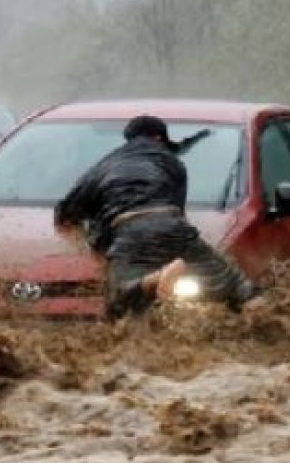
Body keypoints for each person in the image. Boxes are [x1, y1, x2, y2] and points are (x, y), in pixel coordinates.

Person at [54, 115, 259, 320]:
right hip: (173, 225)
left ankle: (153, 281)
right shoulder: (173, 163)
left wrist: (88, 244)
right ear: (160, 139)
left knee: (118, 302)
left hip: (129, 230)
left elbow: (64, 214)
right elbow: (179, 212)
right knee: (236, 284)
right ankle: (264, 318)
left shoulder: (104, 166)